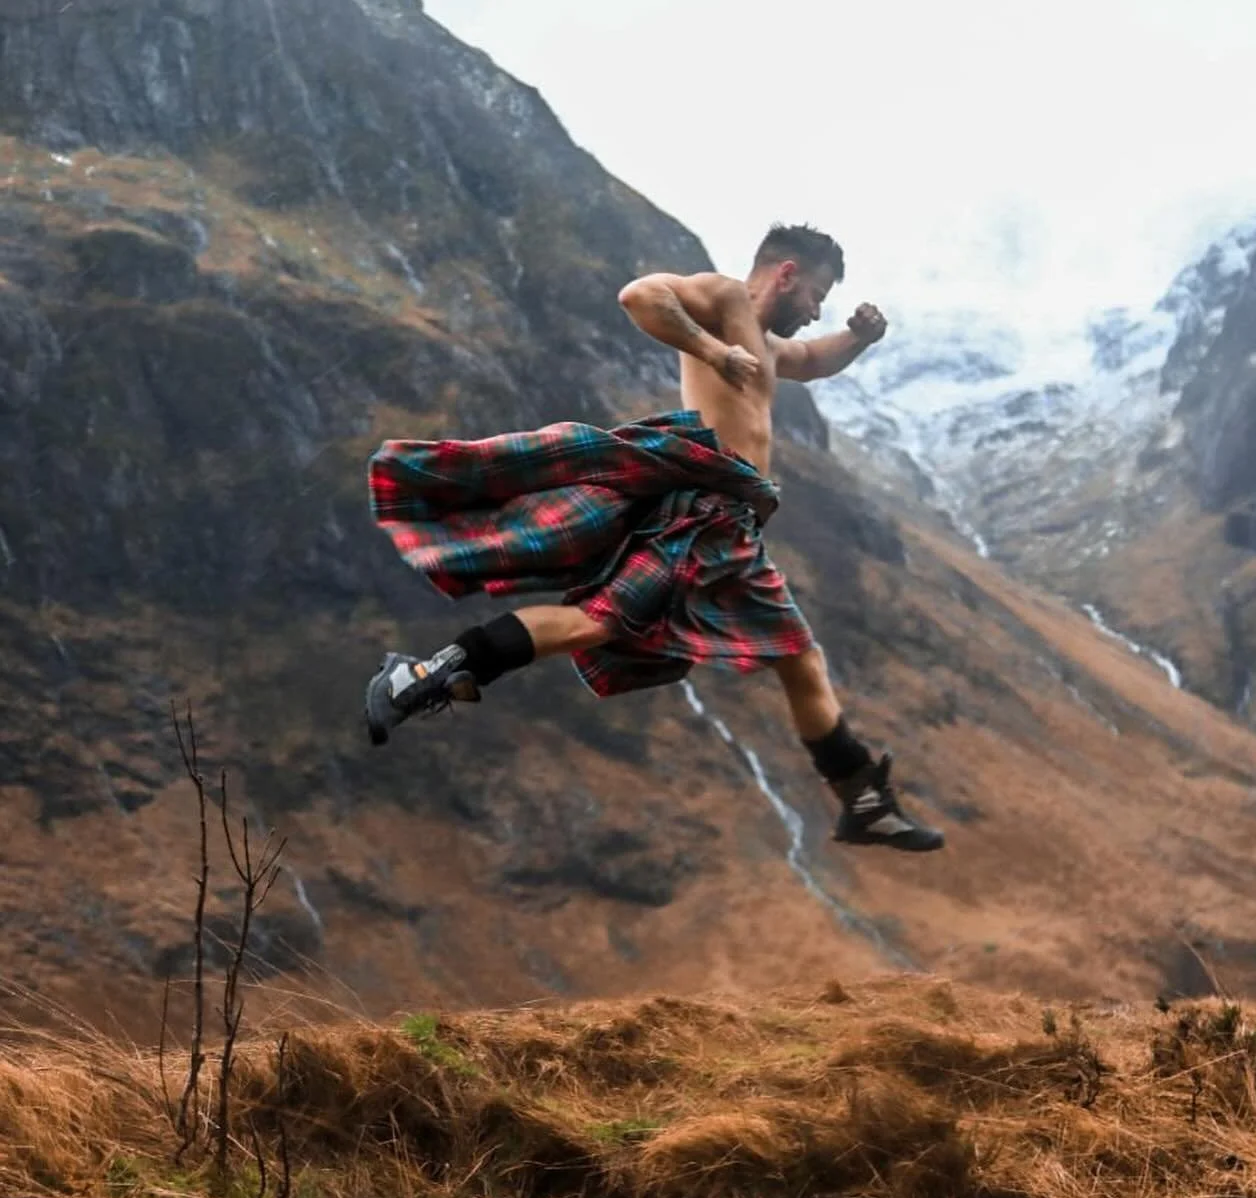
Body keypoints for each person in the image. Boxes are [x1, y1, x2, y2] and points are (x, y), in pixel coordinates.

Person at [364, 223, 943, 852]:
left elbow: (815, 360)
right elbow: (641, 296)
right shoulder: (722, 301)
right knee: (599, 624)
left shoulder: (771, 347)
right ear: (787, 274)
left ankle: (864, 803)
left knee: (799, 659)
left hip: (733, 528)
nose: (817, 310)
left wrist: (857, 338)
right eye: (818, 294)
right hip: (698, 517)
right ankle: (422, 676)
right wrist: (713, 351)